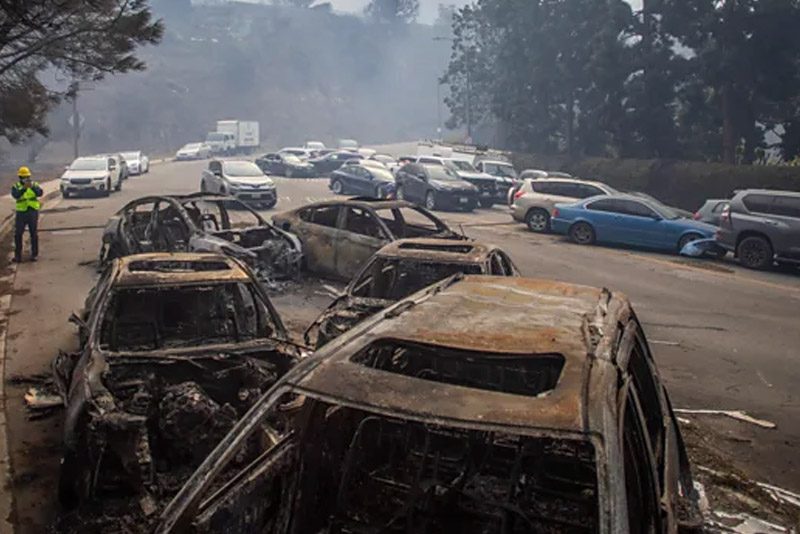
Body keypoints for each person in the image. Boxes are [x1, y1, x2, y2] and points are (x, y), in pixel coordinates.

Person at [11, 166, 43, 262]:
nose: (26, 179)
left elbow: (40, 193)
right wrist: (23, 189)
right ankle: (18, 256)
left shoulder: (34, 184)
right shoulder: (16, 186)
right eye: (24, 177)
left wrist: (32, 187)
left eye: (27, 177)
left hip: (32, 210)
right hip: (21, 212)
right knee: (18, 234)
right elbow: (15, 195)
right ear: (20, 177)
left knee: (33, 233)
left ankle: (34, 254)